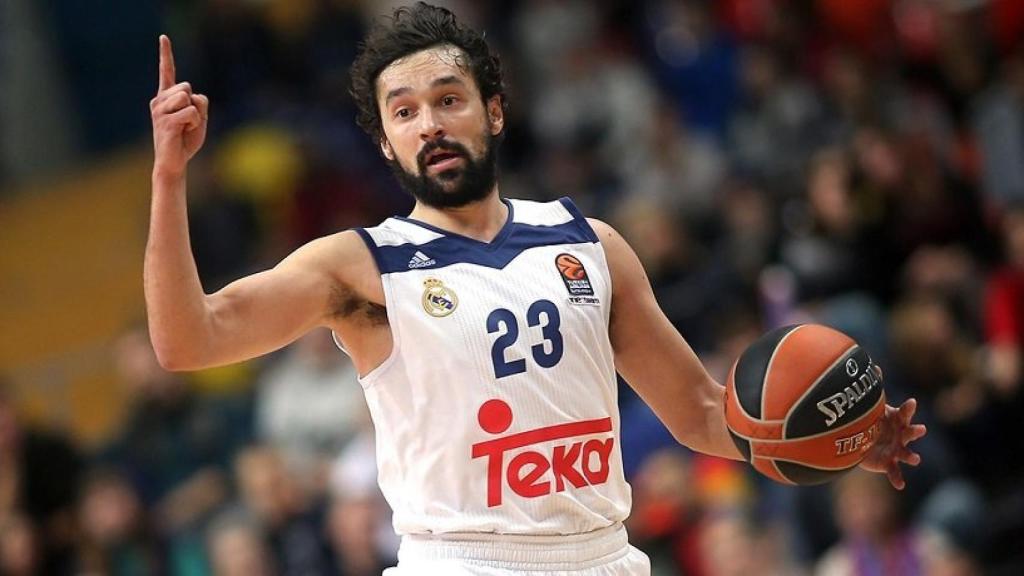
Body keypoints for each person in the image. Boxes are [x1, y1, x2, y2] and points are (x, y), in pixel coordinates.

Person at [145, 3, 927, 574]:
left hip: (604, 556)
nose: (431, 124)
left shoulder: (591, 243)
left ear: (493, 109)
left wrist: (836, 439)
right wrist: (170, 178)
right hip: (463, 562)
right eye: (405, 112)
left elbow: (696, 411)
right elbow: (188, 341)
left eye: (448, 100)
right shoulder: (359, 268)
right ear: (386, 141)